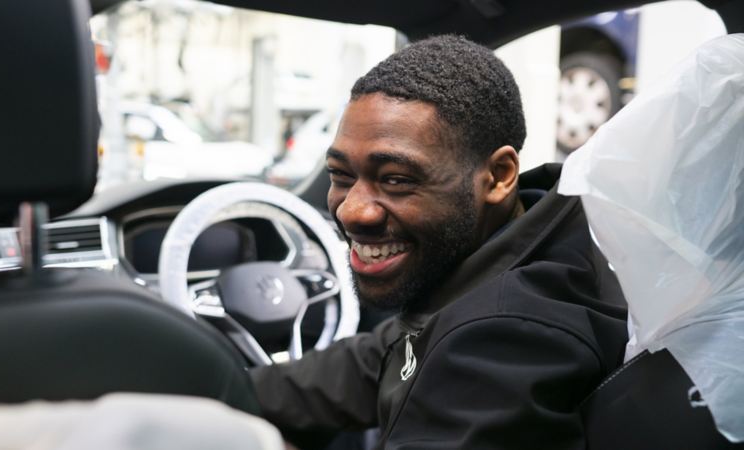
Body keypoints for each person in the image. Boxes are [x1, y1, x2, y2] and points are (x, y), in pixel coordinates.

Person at [250, 34, 628, 450]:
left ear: (499, 177)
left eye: (396, 179)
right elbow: (376, 359)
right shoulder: (504, 252)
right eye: (341, 176)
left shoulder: (501, 343)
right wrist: (217, 383)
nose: (352, 210)